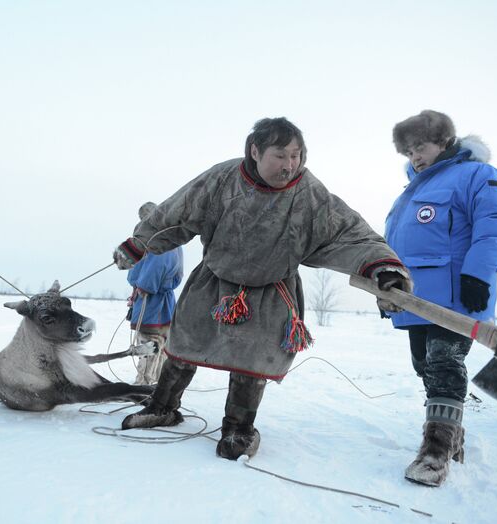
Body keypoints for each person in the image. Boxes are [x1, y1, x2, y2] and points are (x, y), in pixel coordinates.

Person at [112, 117, 411, 460]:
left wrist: (382, 267)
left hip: (272, 290)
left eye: (296, 155)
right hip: (215, 280)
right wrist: (138, 244)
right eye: (280, 155)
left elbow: (349, 232)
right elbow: (177, 213)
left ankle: (238, 428)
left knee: (252, 359)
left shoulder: (308, 194)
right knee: (184, 343)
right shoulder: (223, 179)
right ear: (255, 151)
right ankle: (162, 405)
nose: (290, 165)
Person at [383, 110, 497, 486]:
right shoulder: (410, 192)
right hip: (416, 299)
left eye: (420, 147)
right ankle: (452, 433)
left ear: (443, 141)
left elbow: (496, 225)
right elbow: (395, 245)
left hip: (458, 294)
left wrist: (477, 272)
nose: (415, 157)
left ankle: (435, 453)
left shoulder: (477, 175)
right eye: (408, 152)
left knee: (444, 363)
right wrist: (388, 288)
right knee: (423, 365)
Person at [124, 202, 184, 384]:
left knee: (150, 340)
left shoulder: (159, 240)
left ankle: (144, 382)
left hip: (152, 300)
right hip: (160, 299)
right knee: (160, 340)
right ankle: (156, 380)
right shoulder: (172, 237)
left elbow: (156, 267)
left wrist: (142, 286)